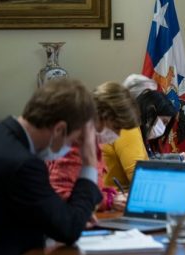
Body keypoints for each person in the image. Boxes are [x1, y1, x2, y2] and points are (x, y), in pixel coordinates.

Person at [0, 79, 103, 255]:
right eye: (74, 140)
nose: (73, 146)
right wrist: (90, 161)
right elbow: (69, 229)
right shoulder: (24, 163)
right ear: (59, 130)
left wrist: (65, 212)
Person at [47, 82, 140, 211]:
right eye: (117, 127)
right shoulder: (76, 143)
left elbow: (84, 186)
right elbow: (61, 195)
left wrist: (108, 194)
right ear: (104, 115)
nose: (118, 135)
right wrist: (108, 201)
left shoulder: (91, 141)